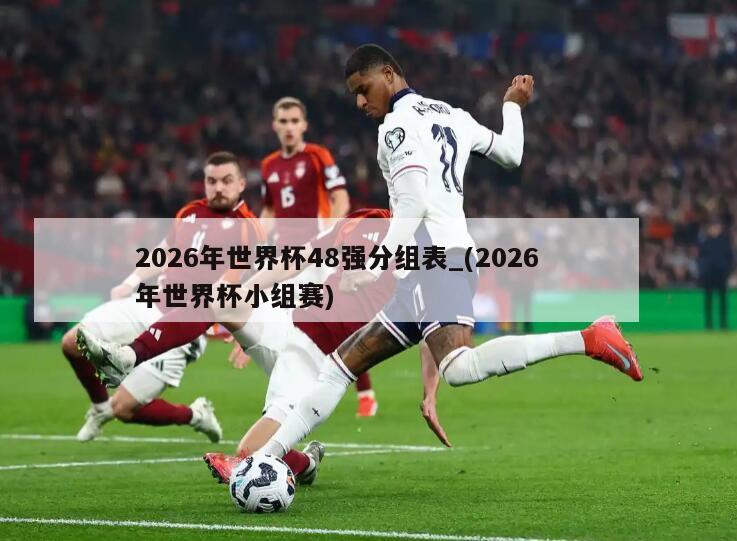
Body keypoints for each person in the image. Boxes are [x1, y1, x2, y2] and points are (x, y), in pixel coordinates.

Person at [251, 44, 644, 461]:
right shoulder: (453, 115)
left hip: (433, 259)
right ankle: (265, 458)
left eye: (363, 89)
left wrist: (375, 265)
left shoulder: (396, 127)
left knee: (458, 368)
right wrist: (512, 106)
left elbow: (415, 201)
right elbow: (511, 154)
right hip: (432, 264)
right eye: (355, 95)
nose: (360, 102)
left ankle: (589, 338)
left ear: (388, 74)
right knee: (337, 367)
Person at [77, 209, 431, 484]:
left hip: (319, 361)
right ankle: (128, 356)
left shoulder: (426, 250)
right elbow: (297, 258)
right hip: (288, 322)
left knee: (248, 454)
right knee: (218, 300)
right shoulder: (363, 219)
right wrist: (247, 291)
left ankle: (303, 464)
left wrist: (430, 392)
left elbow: (432, 327)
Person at [62, 151, 258, 442]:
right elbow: (165, 251)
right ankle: (100, 408)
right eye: (212, 181)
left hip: (183, 327)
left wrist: (240, 331)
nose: (218, 188)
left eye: (226, 181)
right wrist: (131, 281)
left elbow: (232, 281)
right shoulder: (190, 212)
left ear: (241, 184)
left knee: (124, 409)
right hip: (149, 302)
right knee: (72, 342)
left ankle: (195, 415)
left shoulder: (248, 227)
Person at [259, 96, 378, 417]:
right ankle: (293, 394)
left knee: (339, 322)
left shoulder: (317, 156)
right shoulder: (269, 165)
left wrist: (330, 236)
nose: (289, 127)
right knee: (290, 327)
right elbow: (269, 210)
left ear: (304, 125)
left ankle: (365, 393)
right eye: (283, 121)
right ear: (274, 125)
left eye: (294, 121)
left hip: (317, 255)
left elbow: (341, 199)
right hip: (286, 258)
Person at [698, 220, 733, 330]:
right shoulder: (705, 242)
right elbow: (701, 258)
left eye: (717, 227)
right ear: (709, 229)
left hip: (721, 274)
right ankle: (709, 324)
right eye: (713, 227)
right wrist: (703, 272)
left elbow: (730, 257)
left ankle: (723, 323)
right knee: (708, 300)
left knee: (723, 300)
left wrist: (727, 270)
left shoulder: (725, 241)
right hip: (709, 274)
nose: (715, 229)